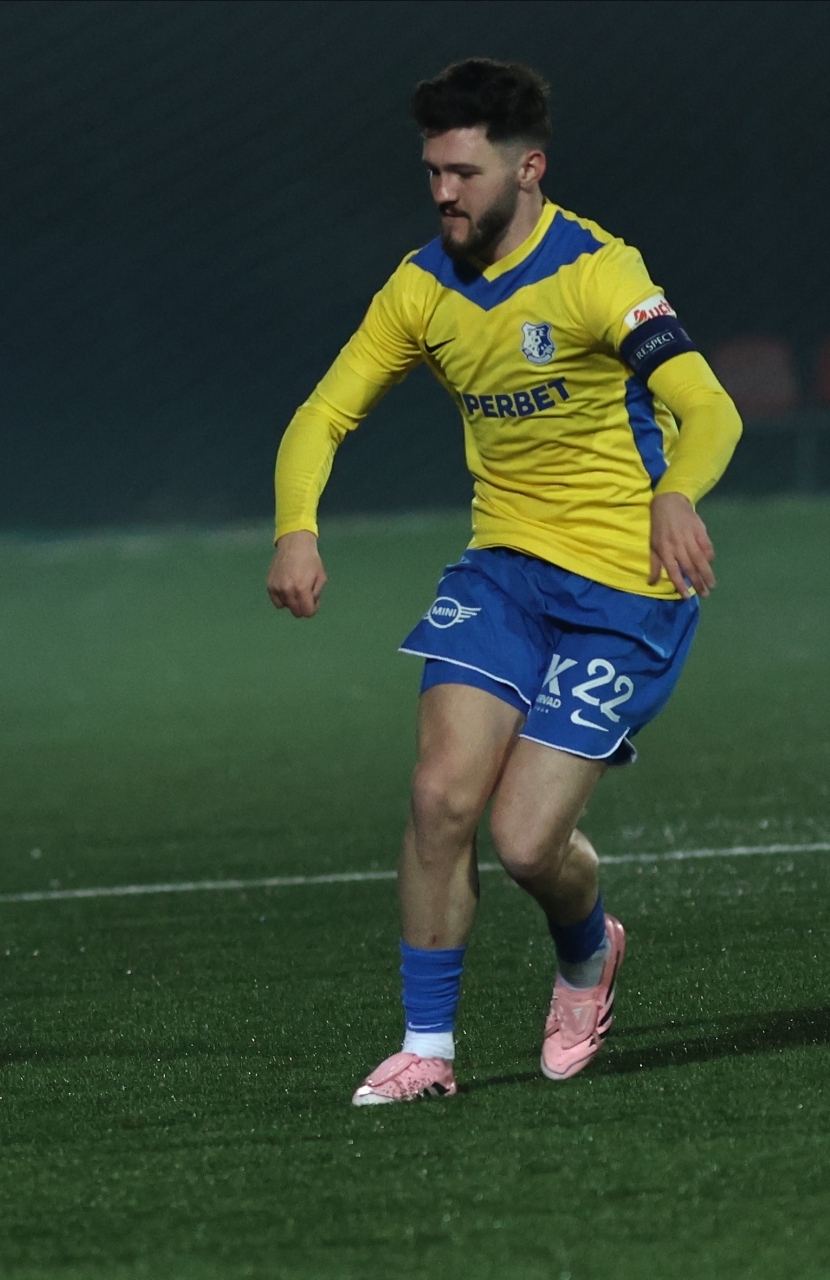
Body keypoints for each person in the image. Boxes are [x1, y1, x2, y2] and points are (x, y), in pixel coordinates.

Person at [265, 59, 742, 1103]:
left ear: (528, 170)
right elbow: (322, 414)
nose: (443, 193)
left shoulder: (600, 273)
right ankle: (427, 1049)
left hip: (627, 588)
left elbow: (712, 409)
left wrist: (677, 493)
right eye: (433, 172)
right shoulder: (421, 287)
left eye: (464, 173)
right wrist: (297, 530)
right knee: (439, 795)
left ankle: (588, 952)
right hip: (506, 573)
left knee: (526, 842)